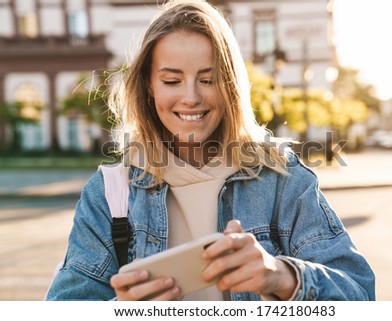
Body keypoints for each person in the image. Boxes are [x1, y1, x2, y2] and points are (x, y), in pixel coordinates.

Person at [46, 0, 375, 301]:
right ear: (148, 87)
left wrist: (282, 277)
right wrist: (122, 310)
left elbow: (359, 292)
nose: (191, 97)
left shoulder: (282, 179)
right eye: (172, 81)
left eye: (208, 79)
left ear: (230, 85)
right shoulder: (109, 195)